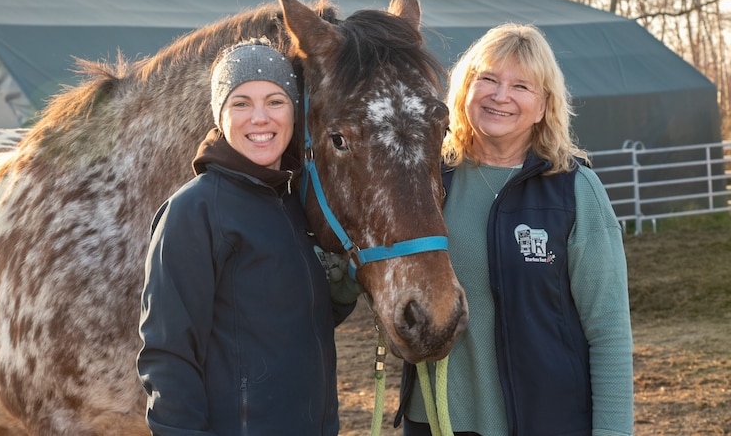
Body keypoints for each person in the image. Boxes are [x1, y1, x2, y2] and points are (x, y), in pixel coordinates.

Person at [396, 23, 634, 436]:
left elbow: (608, 330)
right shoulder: (427, 181)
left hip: (545, 421)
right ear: (465, 90)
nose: (500, 95)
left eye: (521, 86)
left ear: (544, 106)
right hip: (437, 422)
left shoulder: (574, 190)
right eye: (487, 79)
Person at [137, 38, 355, 435]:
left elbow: (284, 323)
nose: (260, 118)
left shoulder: (295, 204)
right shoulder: (194, 211)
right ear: (220, 116)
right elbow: (168, 354)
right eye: (241, 103)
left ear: (294, 112)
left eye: (275, 101)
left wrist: (338, 293)